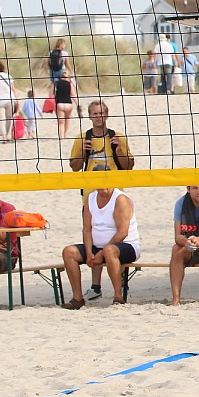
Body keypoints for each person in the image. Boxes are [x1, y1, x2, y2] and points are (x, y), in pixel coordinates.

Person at [68, 99, 135, 300]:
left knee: (116, 236)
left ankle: (120, 284)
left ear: (107, 115)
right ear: (90, 116)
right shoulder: (82, 138)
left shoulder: (117, 136)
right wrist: (83, 152)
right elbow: (74, 167)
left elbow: (129, 166)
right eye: (95, 114)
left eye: (101, 113)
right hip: (91, 194)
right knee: (94, 236)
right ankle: (95, 286)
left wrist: (119, 150)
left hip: (114, 193)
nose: (98, 117)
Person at [60, 169, 142, 308]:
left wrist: (101, 252)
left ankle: (118, 297)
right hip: (98, 246)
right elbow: (87, 229)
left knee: (109, 250)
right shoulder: (91, 198)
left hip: (126, 245)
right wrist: (89, 253)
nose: (102, 184)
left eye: (105, 180)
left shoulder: (120, 199)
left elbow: (122, 232)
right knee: (69, 252)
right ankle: (78, 298)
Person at [51, 69, 77, 138]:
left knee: (61, 122)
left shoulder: (55, 83)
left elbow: (51, 94)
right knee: (67, 119)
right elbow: (73, 95)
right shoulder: (70, 84)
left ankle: (61, 135)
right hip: (68, 104)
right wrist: (77, 104)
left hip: (59, 104)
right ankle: (66, 134)